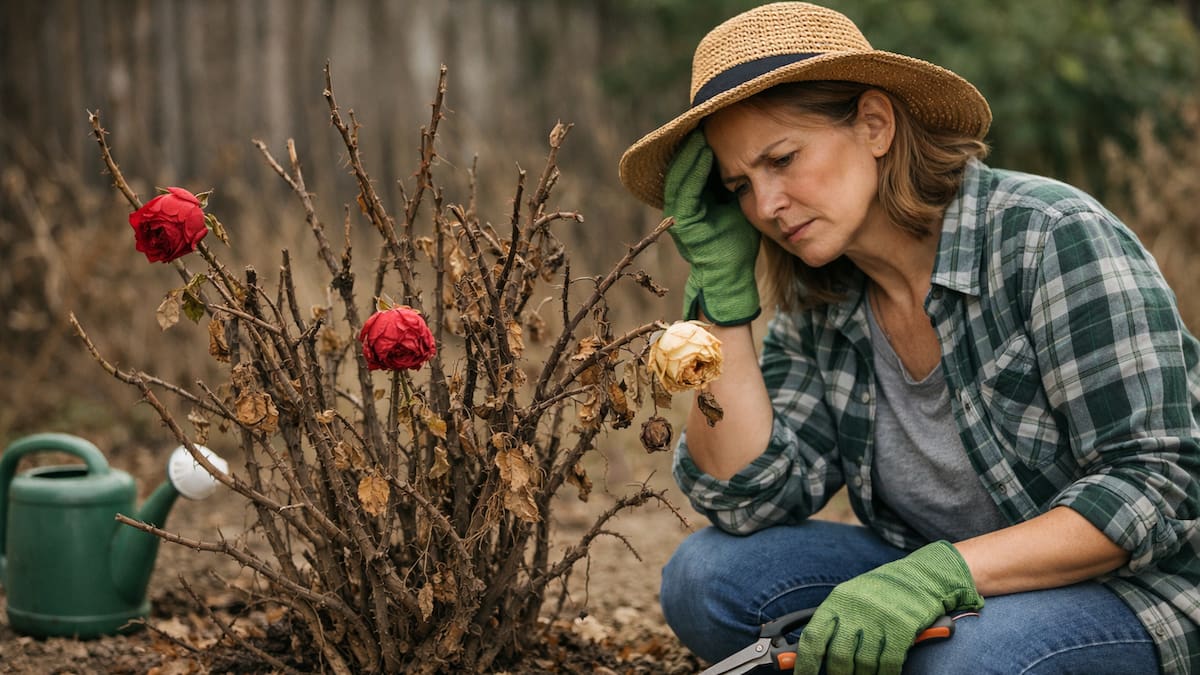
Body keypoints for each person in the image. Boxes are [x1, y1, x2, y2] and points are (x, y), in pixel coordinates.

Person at [618, 3, 1200, 674]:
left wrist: (938, 575)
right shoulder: (823, 299)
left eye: (782, 159)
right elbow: (746, 497)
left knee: (967, 661)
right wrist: (720, 301)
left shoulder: (1050, 235)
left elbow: (1156, 485)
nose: (766, 206)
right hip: (942, 576)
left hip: (1134, 589)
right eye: (739, 186)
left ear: (875, 124)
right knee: (706, 578)